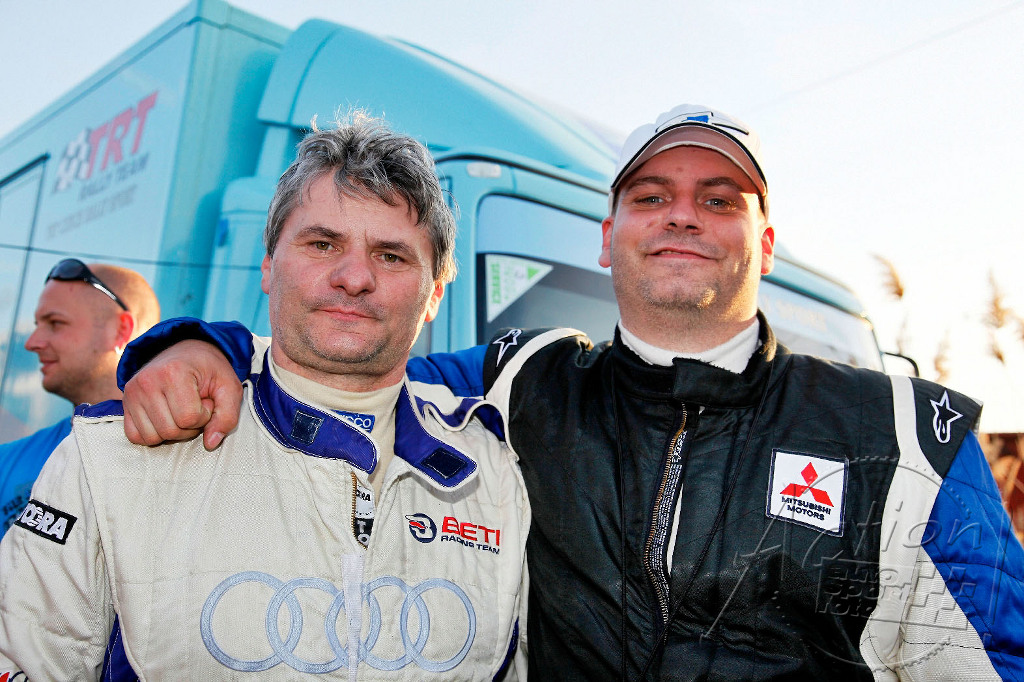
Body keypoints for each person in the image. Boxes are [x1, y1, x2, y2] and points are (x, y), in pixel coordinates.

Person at [110, 105, 1024, 680]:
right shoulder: (522, 381)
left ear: (767, 243)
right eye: (651, 195)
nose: (682, 214)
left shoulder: (904, 433)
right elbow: (347, 362)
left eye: (719, 199)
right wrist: (200, 344)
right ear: (607, 234)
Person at [0, 117, 528, 680]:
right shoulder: (111, 453)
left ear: (435, 294)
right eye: (322, 244)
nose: (354, 277)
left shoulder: (503, 472)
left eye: (391, 256)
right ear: (269, 267)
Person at [0, 259, 159, 531]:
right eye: (37, 324)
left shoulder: (186, 454)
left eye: (55, 323)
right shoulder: (7, 463)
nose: (32, 343)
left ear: (120, 329)